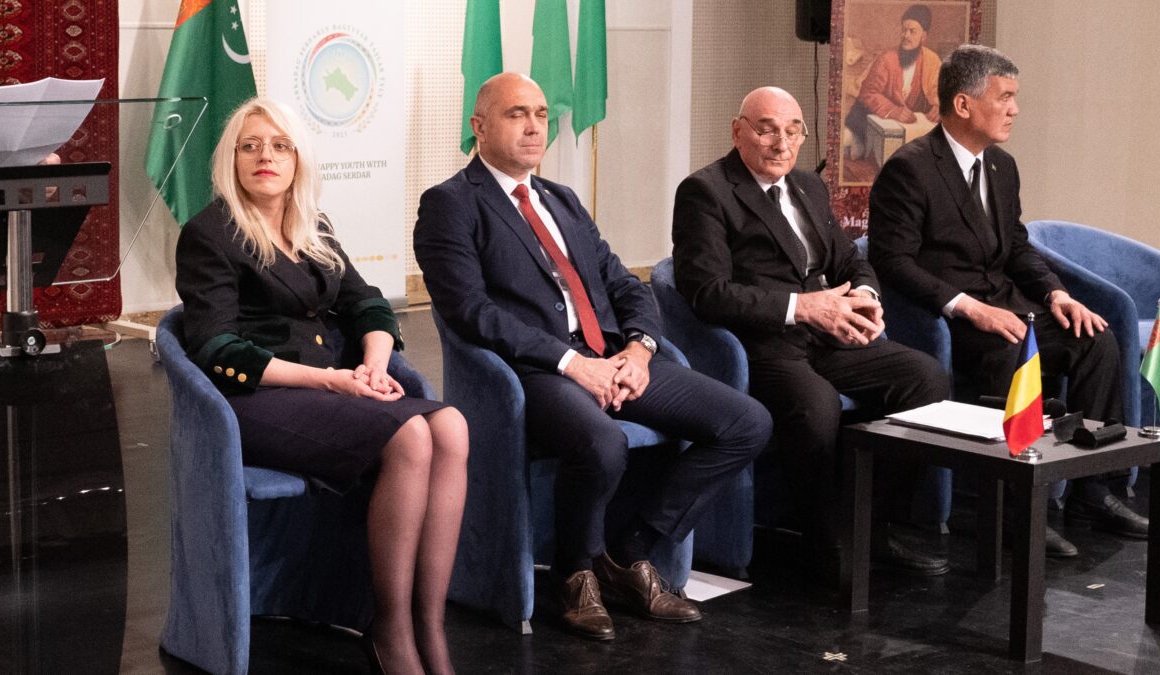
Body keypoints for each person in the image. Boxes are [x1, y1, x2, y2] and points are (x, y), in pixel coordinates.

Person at [414, 73, 769, 641]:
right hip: (534, 372)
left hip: (612, 357)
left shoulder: (562, 199)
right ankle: (574, 574)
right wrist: (570, 363)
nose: (534, 127)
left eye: (541, 114)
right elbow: (471, 312)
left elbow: (624, 284)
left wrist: (639, 349)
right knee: (603, 443)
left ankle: (630, 552)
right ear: (478, 126)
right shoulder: (450, 204)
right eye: (516, 114)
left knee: (746, 422)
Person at [178, 98, 467, 675]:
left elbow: (368, 305)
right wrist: (331, 381)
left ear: (298, 160)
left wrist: (376, 365)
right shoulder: (209, 233)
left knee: (452, 427)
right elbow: (216, 349)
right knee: (412, 435)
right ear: (231, 160)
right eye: (250, 146)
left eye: (279, 146)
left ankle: (429, 623)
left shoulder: (315, 225)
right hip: (256, 400)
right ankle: (389, 628)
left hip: (331, 388)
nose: (265, 156)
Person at [867, 43, 1148, 557]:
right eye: (1005, 97)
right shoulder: (910, 168)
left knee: (1095, 340)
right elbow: (892, 261)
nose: (1015, 109)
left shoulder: (1002, 165)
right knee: (1012, 355)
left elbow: (1016, 246)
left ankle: (1093, 490)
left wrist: (1057, 293)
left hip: (1010, 305)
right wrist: (967, 306)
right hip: (948, 320)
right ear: (963, 104)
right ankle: (1012, 513)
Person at [671, 86, 948, 577]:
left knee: (926, 380)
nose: (782, 143)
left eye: (793, 130)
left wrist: (866, 297)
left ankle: (870, 525)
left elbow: (849, 260)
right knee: (816, 406)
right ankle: (826, 543)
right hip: (760, 344)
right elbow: (707, 291)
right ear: (738, 132)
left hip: (829, 334)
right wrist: (802, 308)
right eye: (767, 130)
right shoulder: (705, 192)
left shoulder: (807, 186)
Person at [844, 3, 940, 160]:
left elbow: (939, 89)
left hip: (912, 119)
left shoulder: (932, 59)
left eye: (912, 31)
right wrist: (893, 111)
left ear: (924, 36)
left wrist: (938, 105)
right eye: (904, 30)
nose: (906, 35)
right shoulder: (886, 58)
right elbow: (868, 92)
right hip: (878, 114)